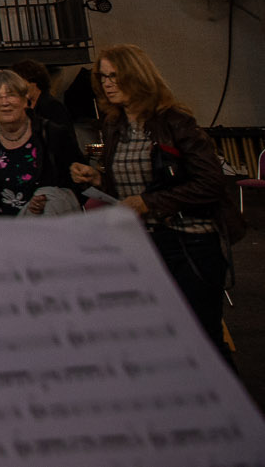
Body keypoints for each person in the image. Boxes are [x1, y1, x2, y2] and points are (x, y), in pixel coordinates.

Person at [76, 43, 233, 345]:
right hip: (142, 243)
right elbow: (128, 187)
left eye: (114, 75)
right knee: (158, 339)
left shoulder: (175, 121)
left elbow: (211, 182)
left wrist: (149, 203)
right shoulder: (114, 125)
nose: (107, 83)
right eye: (103, 76)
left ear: (138, 76)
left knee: (203, 338)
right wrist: (98, 178)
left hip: (189, 240)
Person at [0, 67, 86, 217]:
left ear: (24, 98)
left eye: (11, 95)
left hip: (48, 230)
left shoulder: (52, 133)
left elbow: (80, 182)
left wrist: (50, 201)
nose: (4, 102)